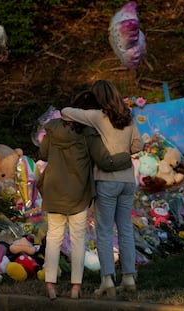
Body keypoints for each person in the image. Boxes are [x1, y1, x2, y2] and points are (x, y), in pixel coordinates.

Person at [38, 90, 133, 300]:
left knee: (53, 237)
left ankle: (50, 285)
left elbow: (43, 154)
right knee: (78, 239)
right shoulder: (89, 134)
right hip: (79, 192)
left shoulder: (52, 129)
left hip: (54, 191)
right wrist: (125, 160)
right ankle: (75, 288)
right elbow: (103, 160)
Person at [61, 80, 143, 298]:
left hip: (106, 180)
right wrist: (123, 151)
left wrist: (85, 99)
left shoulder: (97, 117)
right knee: (125, 228)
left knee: (104, 231)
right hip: (127, 180)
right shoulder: (128, 117)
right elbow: (138, 146)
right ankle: (128, 277)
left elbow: (66, 112)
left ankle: (107, 279)